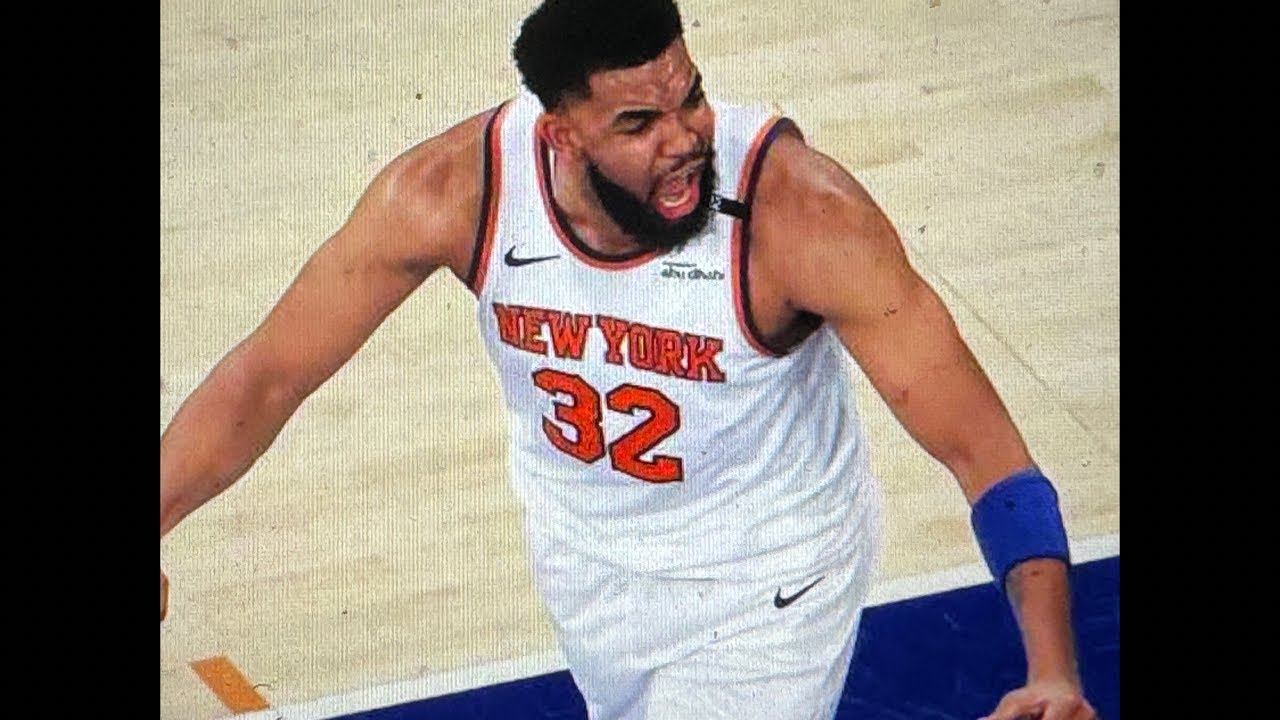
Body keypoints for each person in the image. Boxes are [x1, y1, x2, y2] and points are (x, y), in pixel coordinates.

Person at [160, 1, 1098, 718]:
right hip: (586, 564)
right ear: (560, 132)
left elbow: (987, 456)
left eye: (690, 96)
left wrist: (1052, 668)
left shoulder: (803, 217)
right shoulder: (453, 192)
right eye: (638, 123)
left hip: (768, 585)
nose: (684, 138)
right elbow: (267, 376)